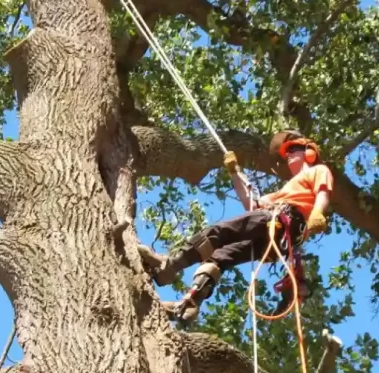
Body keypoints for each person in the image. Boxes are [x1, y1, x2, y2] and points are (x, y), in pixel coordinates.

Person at [138, 129, 334, 323]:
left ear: (309, 151)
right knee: (218, 257)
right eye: (286, 152)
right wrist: (234, 172)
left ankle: (170, 266)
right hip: (274, 234)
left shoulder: (319, 170)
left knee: (219, 232)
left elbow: (322, 193)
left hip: (283, 223)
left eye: (293, 149)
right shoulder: (284, 191)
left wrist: (317, 213)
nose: (288, 154)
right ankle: (189, 304)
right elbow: (252, 206)